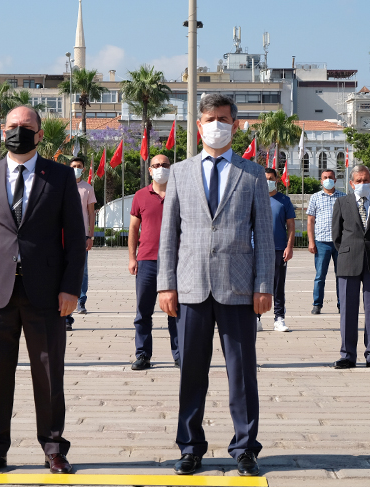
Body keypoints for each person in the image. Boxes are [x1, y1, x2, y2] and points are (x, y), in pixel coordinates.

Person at [0, 105, 85, 475]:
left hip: (46, 293)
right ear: (3, 132)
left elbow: (75, 237)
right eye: (12, 125)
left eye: (26, 126)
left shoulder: (60, 176)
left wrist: (70, 288)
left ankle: (54, 448)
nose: (18, 131)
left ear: (40, 134)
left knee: (49, 374)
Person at [158, 94, 274, 477]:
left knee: (242, 372)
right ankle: (190, 446)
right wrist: (166, 285)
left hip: (238, 287)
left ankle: (245, 447)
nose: (216, 125)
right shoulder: (180, 172)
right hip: (190, 286)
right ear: (199, 125)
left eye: (223, 119)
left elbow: (264, 234)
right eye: (210, 119)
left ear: (235, 125)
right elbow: (169, 235)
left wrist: (264, 284)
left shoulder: (252, 174)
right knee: (191, 372)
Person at [331, 164, 370, 370]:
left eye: (366, 180)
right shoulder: (342, 202)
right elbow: (336, 236)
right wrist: (349, 251)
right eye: (359, 181)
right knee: (347, 310)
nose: (362, 183)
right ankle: (347, 355)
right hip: (349, 260)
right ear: (351, 183)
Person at [128, 154, 179, 370]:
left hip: (175, 261)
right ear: (150, 170)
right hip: (147, 260)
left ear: (171, 168)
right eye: (156, 165)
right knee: (143, 311)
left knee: (176, 310)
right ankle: (143, 355)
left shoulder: (179, 194)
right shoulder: (140, 195)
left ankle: (180, 355)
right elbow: (133, 228)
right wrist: (132, 257)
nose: (160, 168)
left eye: (164, 165)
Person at [257, 168, 295, 332]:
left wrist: (289, 246)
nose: (268, 181)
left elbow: (291, 225)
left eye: (271, 178)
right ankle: (256, 318)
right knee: (257, 285)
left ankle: (279, 318)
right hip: (258, 249)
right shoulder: (256, 199)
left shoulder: (284, 201)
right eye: (265, 178)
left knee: (278, 286)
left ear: (277, 180)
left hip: (279, 249)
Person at [306, 169, 346, 314]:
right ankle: (317, 304)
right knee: (320, 276)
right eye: (325, 177)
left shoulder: (343, 197)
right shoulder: (315, 197)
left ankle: (342, 304)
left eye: (330, 177)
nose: (328, 179)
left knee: (341, 276)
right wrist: (311, 242)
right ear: (321, 180)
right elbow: (310, 221)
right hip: (321, 242)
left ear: (335, 180)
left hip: (340, 243)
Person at [65, 156, 96, 330]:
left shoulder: (87, 188)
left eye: (79, 166)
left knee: (82, 270)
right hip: (65, 235)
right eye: (73, 166)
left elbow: (91, 213)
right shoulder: (63, 185)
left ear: (83, 169)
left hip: (82, 235)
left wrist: (90, 236)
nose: (76, 168)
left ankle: (81, 301)